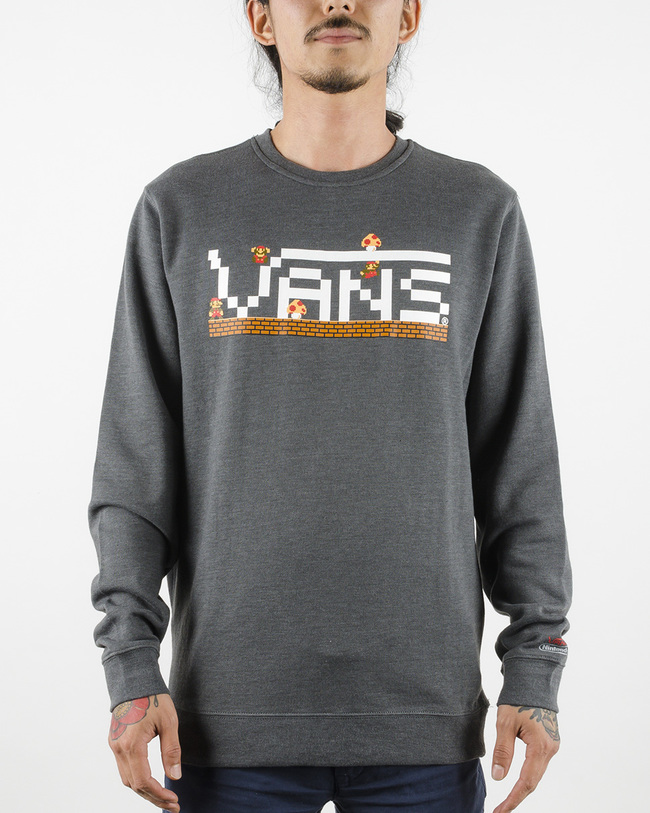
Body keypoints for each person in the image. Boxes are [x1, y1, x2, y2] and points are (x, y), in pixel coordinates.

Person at [87, 1, 573, 812]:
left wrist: (536, 663)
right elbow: (135, 466)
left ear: (408, 16)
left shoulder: (476, 211)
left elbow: (518, 462)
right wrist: (130, 665)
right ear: (261, 18)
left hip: (424, 722)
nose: (337, 2)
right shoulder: (182, 209)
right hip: (225, 726)